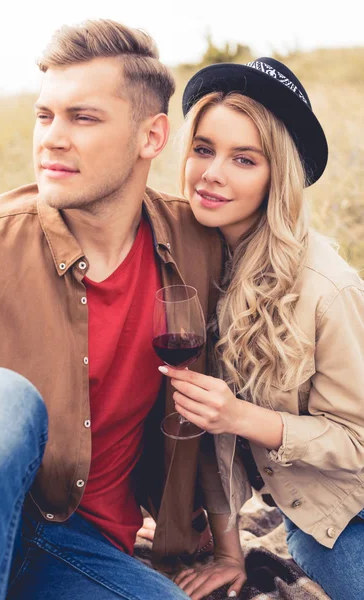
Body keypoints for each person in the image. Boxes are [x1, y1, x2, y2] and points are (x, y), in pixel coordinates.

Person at [0, 19, 232, 600]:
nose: (52, 139)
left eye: (82, 118)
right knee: (4, 398)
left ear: (152, 138)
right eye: (44, 116)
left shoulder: (200, 242)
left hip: (76, 545)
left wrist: (228, 544)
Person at [156, 57, 364, 600]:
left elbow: (359, 441)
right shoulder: (190, 267)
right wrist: (229, 551)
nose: (213, 173)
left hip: (348, 515)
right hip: (311, 520)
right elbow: (214, 443)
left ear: (278, 175)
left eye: (243, 159)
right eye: (203, 149)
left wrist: (242, 416)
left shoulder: (326, 288)